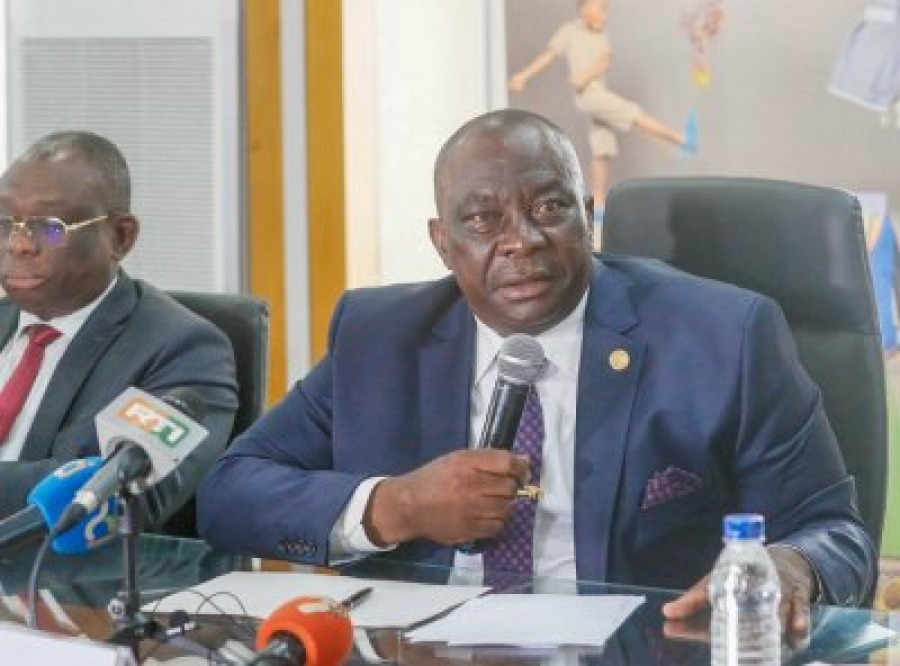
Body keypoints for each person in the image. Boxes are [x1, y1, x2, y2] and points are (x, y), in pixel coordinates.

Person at [198, 109, 875, 637]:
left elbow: (834, 533)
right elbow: (228, 493)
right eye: (483, 220)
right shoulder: (381, 338)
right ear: (442, 243)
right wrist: (397, 506)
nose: (520, 240)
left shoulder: (722, 337)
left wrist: (792, 568)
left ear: (588, 216)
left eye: (550, 208)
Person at [0, 131, 238, 528]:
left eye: (49, 227)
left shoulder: (183, 349)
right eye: (5, 223)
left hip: (56, 564)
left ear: (120, 237)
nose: (18, 245)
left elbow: (124, 493)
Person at [508, 0, 695, 221]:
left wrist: (583, 76)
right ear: (584, 8)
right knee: (633, 114)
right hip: (591, 97)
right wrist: (523, 76)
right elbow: (548, 56)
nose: (604, 14)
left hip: (594, 92)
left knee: (601, 146)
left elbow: (605, 60)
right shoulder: (569, 31)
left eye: (606, 10)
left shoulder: (600, 36)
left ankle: (598, 203)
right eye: (600, 8)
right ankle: (680, 139)